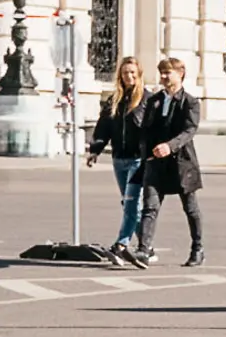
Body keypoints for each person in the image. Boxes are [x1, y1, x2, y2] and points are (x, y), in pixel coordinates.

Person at [137, 57, 206, 267]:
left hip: (182, 163)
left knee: (190, 208)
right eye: (162, 73)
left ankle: (197, 248)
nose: (164, 77)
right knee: (150, 207)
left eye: (168, 73)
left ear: (180, 74)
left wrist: (170, 145)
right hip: (156, 163)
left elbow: (189, 130)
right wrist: (145, 153)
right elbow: (146, 130)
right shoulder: (154, 100)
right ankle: (143, 250)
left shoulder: (191, 102)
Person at [85, 56, 152, 269]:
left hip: (138, 160)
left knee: (131, 203)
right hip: (119, 159)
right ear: (120, 76)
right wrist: (95, 150)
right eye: (125, 73)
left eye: (133, 73)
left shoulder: (148, 100)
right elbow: (103, 127)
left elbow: (153, 129)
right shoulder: (114, 100)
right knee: (129, 204)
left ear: (139, 75)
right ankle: (146, 247)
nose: (129, 76)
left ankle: (121, 245)